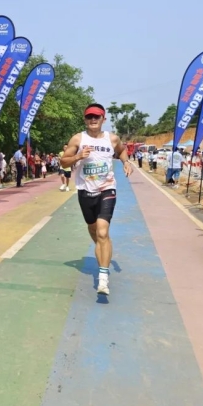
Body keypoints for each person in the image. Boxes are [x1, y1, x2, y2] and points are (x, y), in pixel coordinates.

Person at [60, 104, 133, 296]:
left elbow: (122, 150)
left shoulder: (112, 138)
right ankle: (103, 246)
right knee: (95, 231)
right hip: (85, 191)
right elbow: (63, 161)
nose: (93, 120)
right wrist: (78, 156)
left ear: (103, 119)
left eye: (97, 117)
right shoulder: (78, 139)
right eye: (89, 117)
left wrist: (126, 162)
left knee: (102, 231)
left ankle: (103, 278)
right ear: (85, 119)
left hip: (106, 189)